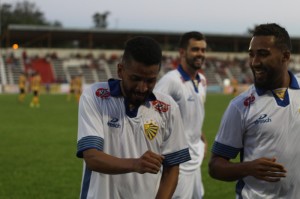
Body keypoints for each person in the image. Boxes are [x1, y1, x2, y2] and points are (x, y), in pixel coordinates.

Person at [76, 36, 191, 199]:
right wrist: (135, 164)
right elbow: (92, 157)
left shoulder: (168, 107)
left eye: (150, 80)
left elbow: (172, 167)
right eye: (135, 78)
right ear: (120, 70)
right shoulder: (95, 97)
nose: (142, 88)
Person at [209, 23, 300, 198]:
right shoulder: (240, 106)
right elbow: (215, 166)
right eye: (252, 54)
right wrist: (248, 168)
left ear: (285, 56)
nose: (255, 62)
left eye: (263, 54)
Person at [155, 31, 208, 199]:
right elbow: (152, 115)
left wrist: (201, 137)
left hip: (195, 160)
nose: (200, 54)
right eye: (195, 49)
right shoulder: (171, 81)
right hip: (178, 162)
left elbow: (192, 116)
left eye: (202, 50)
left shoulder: (202, 81)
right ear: (182, 52)